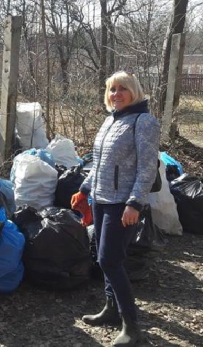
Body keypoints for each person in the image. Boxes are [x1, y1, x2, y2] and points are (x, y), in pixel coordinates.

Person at [72, 71, 159, 346]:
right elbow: (99, 163)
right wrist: (85, 189)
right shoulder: (111, 119)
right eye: (112, 89)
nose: (116, 94)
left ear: (134, 92)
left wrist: (135, 202)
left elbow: (147, 167)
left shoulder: (143, 121)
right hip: (100, 198)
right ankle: (110, 309)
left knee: (110, 259)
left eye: (122, 89)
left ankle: (131, 325)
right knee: (102, 256)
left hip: (122, 202)